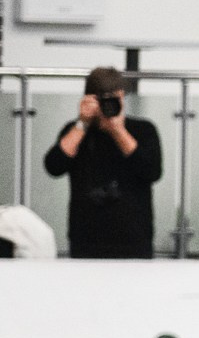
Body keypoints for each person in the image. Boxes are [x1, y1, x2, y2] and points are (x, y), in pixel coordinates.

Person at [42, 66, 164, 259]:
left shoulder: (143, 130)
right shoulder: (76, 131)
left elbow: (152, 171)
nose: (107, 106)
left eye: (113, 99)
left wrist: (117, 130)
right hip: (86, 242)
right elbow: (53, 166)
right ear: (89, 99)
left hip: (134, 242)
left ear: (122, 97)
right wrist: (82, 123)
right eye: (101, 100)